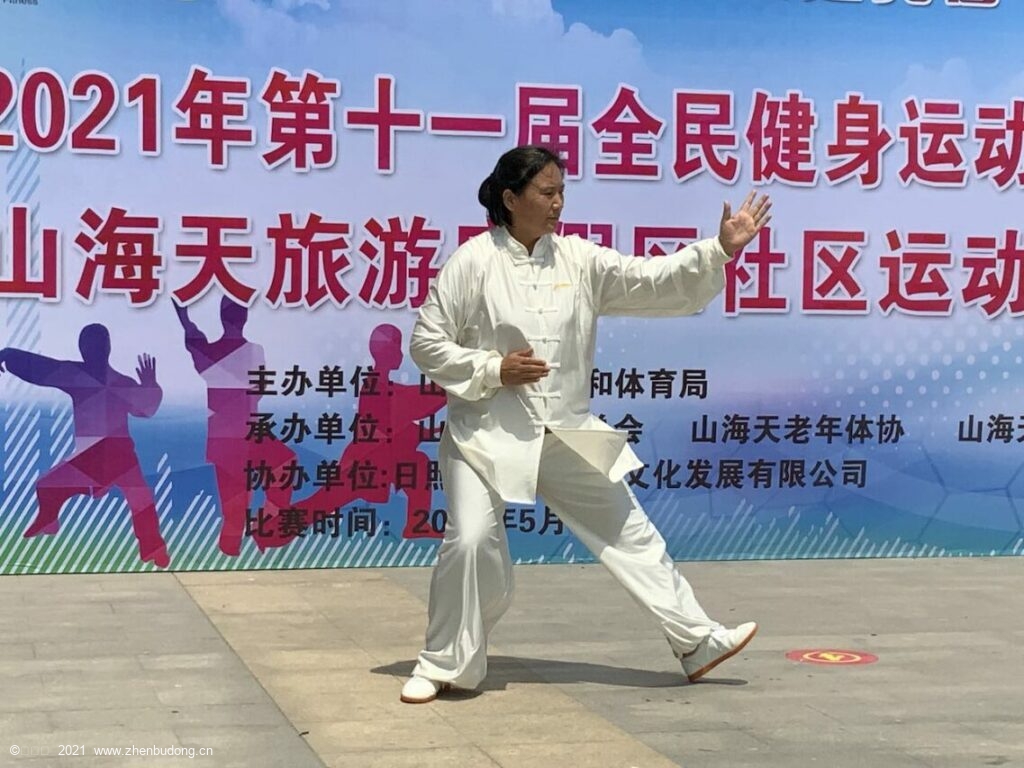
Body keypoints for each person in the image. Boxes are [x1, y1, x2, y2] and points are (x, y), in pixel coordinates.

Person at [400, 145, 772, 704]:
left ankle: (697, 641)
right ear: (511, 198)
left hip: (565, 430)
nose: (558, 204)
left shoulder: (579, 259)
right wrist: (493, 369)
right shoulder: (473, 262)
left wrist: (718, 248)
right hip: (485, 435)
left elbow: (650, 280)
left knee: (629, 531)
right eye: (546, 192)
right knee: (472, 541)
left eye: (561, 193)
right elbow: (426, 343)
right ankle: (443, 663)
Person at [0, 324, 170, 568]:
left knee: (140, 498)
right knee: (47, 485)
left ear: (105, 348)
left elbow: (146, 409)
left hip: (117, 455)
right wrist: (9, 354)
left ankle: (153, 548)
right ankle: (49, 520)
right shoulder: (82, 376)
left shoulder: (103, 380)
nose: (91, 350)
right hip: (96, 457)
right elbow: (40, 368)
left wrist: (151, 386)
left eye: (94, 345)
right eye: (89, 345)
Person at [174, 297, 299, 556]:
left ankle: (247, 535)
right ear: (245, 318)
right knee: (278, 469)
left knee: (236, 507)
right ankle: (259, 526)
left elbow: (194, 340)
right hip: (245, 433)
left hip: (228, 439)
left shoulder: (210, 354)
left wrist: (185, 319)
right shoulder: (254, 351)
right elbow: (260, 390)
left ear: (222, 317)